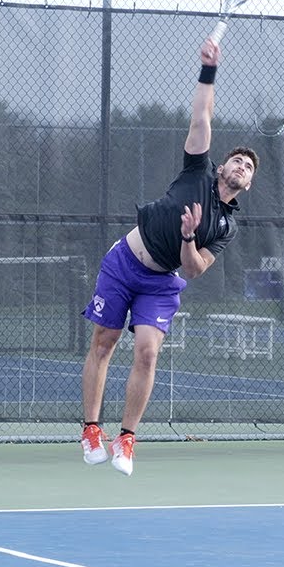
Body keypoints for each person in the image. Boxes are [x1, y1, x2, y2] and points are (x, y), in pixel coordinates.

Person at [79, 36, 258, 476]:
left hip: (160, 282)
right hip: (124, 261)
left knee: (147, 353)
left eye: (249, 167)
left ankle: (126, 438)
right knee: (104, 342)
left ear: (249, 184)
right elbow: (202, 115)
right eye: (237, 160)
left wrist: (188, 237)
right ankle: (91, 430)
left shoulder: (226, 227)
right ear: (221, 167)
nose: (241, 166)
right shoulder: (197, 168)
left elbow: (194, 270)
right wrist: (209, 69)